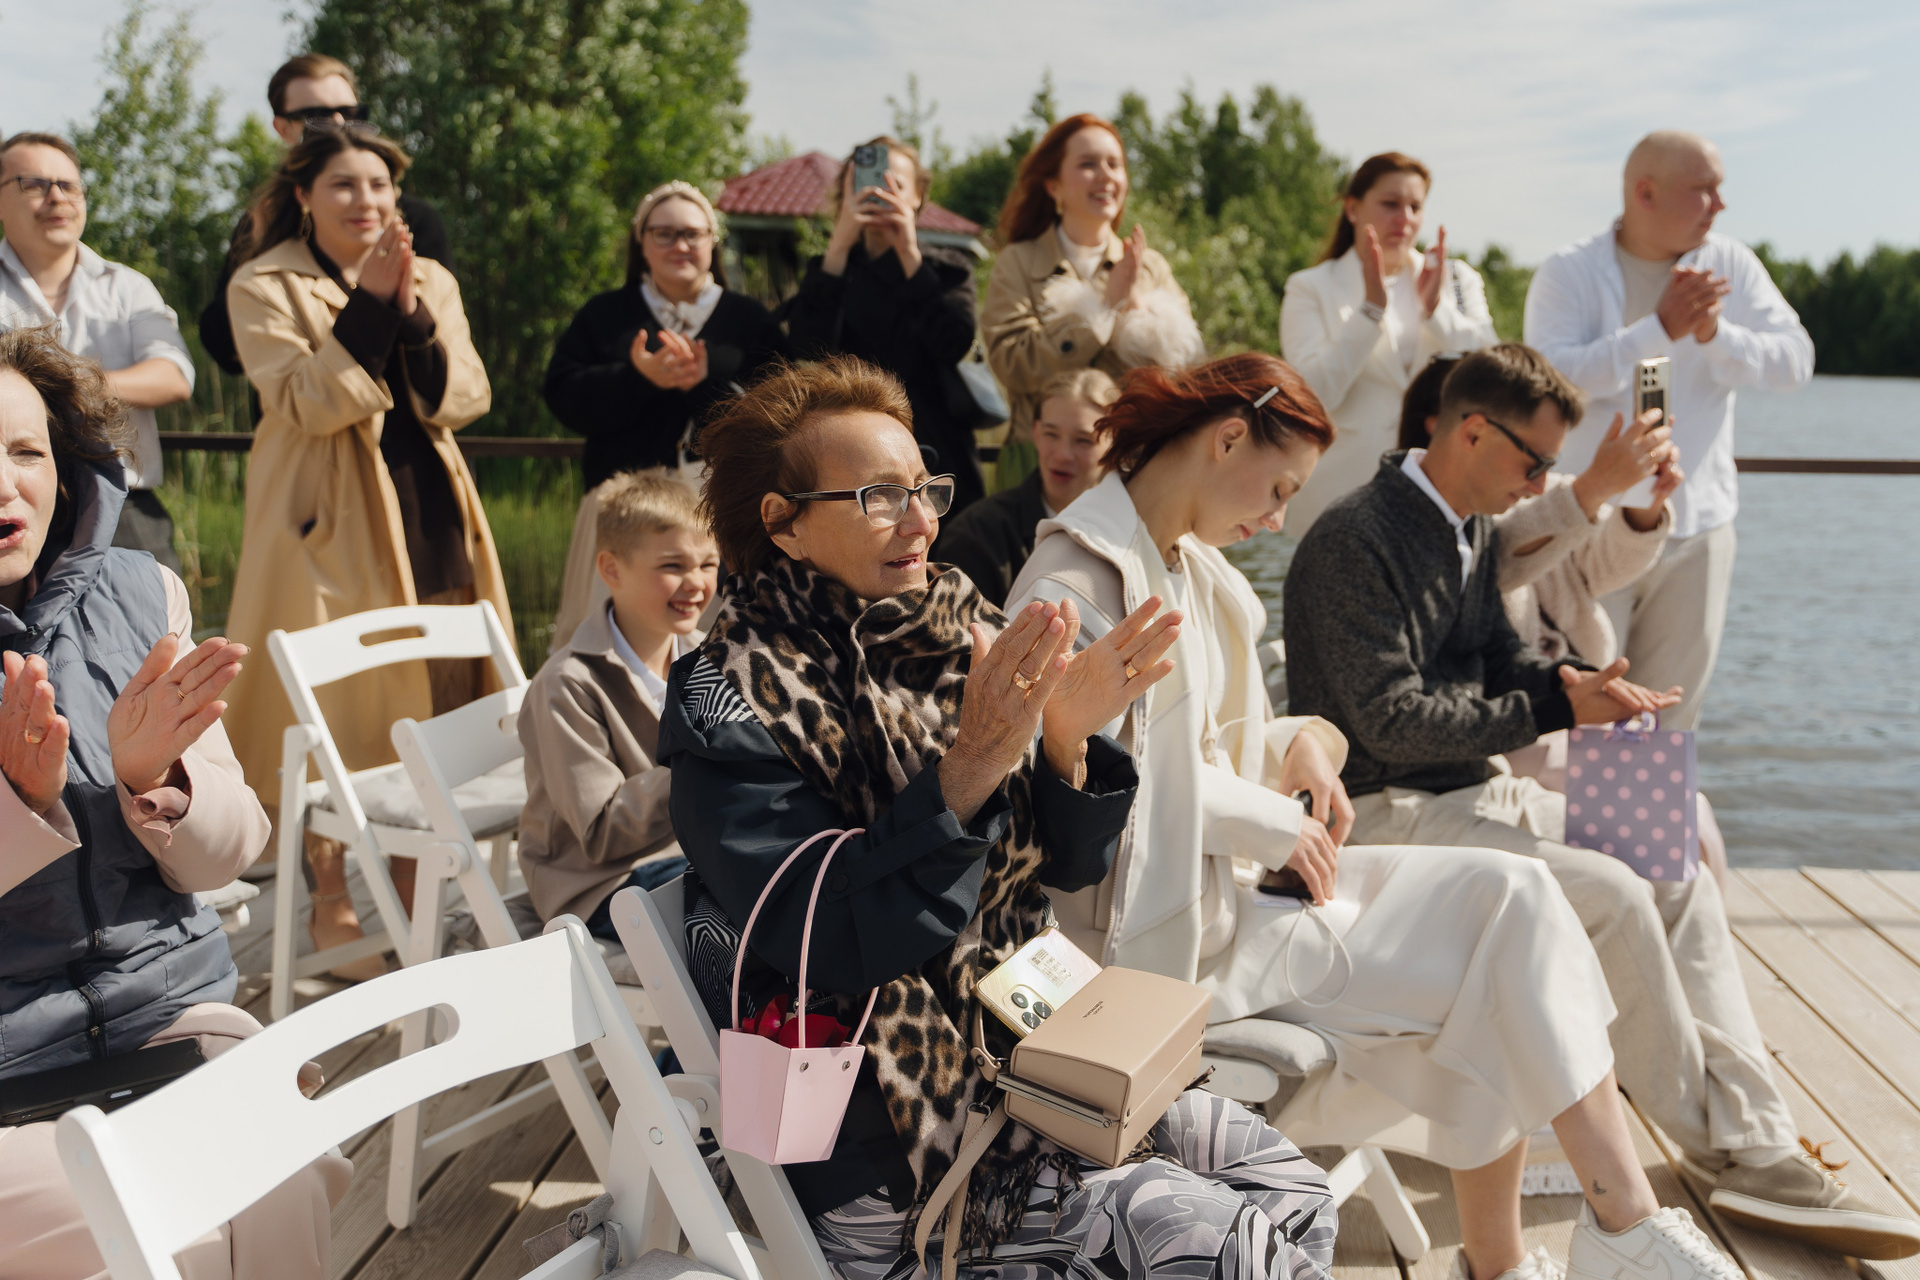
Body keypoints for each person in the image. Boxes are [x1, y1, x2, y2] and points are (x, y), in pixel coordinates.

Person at [1008, 352, 1747, 1280]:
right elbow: (1102, 782)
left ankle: (1636, 1208)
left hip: (1269, 889)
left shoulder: (1198, 564)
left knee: (1540, 884)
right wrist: (1277, 822)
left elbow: (1211, 743)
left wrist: (1299, 745)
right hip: (1180, 934)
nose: (1279, 518)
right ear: (1227, 439)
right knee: (1517, 937)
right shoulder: (1082, 580)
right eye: (1278, 488)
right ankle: (1601, 1229)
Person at [658, 355, 1339, 1280]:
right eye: (879, 497)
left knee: (1291, 1192)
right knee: (1223, 1248)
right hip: (885, 1138)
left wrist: (1064, 740)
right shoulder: (727, 698)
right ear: (783, 523)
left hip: (1038, 1048)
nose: (922, 521)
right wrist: (973, 764)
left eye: (923, 489)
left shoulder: (952, 622)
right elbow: (830, 937)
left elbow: (1064, 868)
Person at [1282, 343, 1920, 1261]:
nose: (1544, 482)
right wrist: (1556, 708)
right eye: (1535, 461)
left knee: (1668, 853)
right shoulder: (1354, 540)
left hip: (1472, 791)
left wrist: (1572, 683)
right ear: (1472, 432)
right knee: (1616, 896)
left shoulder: (1464, 527)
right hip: (1387, 815)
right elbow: (1388, 723)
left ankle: (1756, 1136)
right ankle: (1726, 1151)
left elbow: (1495, 660)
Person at [0, 326, 349, 1279]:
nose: (5, 484)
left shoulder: (143, 592)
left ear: (64, 467)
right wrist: (21, 807)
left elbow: (230, 854)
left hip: (168, 1026)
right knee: (172, 1222)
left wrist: (158, 783)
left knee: (280, 1172)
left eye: (26, 451)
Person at [220, 127, 506, 976]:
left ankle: (414, 899)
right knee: (331, 715)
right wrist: (373, 307)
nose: (367, 201)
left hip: (428, 511)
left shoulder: (435, 278)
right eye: (344, 185)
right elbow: (306, 403)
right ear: (303, 196)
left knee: (436, 702)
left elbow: (467, 394)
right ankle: (331, 904)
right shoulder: (262, 282)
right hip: (324, 523)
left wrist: (410, 310)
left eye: (379, 185)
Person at [1524, 130, 1814, 730]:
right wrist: (1658, 329)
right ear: (1645, 193)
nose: (1720, 204)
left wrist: (1715, 335)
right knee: (1575, 711)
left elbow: (1796, 363)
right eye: (1704, 189)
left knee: (1668, 719)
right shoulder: (1568, 271)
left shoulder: (1730, 265)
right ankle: (1562, 800)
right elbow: (1549, 383)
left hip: (1696, 531)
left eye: (1720, 189)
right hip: (1586, 531)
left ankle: (1652, 798)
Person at [542, 180, 785, 650]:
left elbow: (778, 416)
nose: (680, 245)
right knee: (609, 644)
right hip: (622, 505)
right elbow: (563, 397)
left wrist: (705, 386)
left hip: (722, 511)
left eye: (692, 234)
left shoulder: (751, 321)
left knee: (718, 647)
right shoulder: (604, 315)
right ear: (642, 242)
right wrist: (637, 377)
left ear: (712, 241)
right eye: (664, 234)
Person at [517, 469, 714, 934]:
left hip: (693, 853)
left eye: (708, 564)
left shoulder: (710, 655)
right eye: (673, 566)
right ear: (611, 570)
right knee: (761, 891)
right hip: (601, 886)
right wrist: (709, 759)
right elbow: (601, 833)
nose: (696, 582)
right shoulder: (566, 685)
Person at [0, 131, 195, 573]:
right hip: (10, 504)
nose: (57, 197)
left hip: (125, 507)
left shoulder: (128, 286)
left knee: (154, 616)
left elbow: (174, 375)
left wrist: (65, 384)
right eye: (34, 184)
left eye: (69, 185)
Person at [981, 112, 1203, 492]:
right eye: (1088, 164)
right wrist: (1101, 313)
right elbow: (1012, 363)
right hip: (1040, 465)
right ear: (1053, 186)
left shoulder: (1150, 267)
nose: (1106, 176)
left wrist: (1137, 312)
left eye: (1114, 164)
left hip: (1133, 464)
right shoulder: (1017, 262)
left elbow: (1184, 371)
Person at [1280, 151, 1497, 536]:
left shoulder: (1455, 280)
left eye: (1415, 207)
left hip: (1442, 496)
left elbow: (1495, 378)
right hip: (1340, 502)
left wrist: (1436, 311)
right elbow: (1312, 396)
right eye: (1390, 204)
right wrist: (1370, 311)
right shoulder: (1309, 287)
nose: (1404, 218)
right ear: (1352, 208)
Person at [198, 53, 453, 379]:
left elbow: (448, 347)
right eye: (316, 116)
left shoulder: (416, 219)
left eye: (351, 114)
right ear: (283, 128)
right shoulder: (261, 220)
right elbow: (226, 352)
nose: (338, 124)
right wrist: (258, 250)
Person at [786, 136, 985, 511]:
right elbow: (807, 348)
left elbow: (953, 341)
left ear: (918, 196)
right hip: (854, 454)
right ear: (846, 194)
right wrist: (838, 245)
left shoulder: (947, 269)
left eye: (895, 185)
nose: (880, 194)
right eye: (868, 184)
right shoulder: (832, 271)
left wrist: (909, 254)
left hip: (940, 447)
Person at [932, 367, 1116, 605]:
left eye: (1083, 440)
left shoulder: (1129, 532)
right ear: (1036, 433)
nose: (1062, 455)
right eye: (1051, 434)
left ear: (1114, 444)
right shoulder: (977, 535)